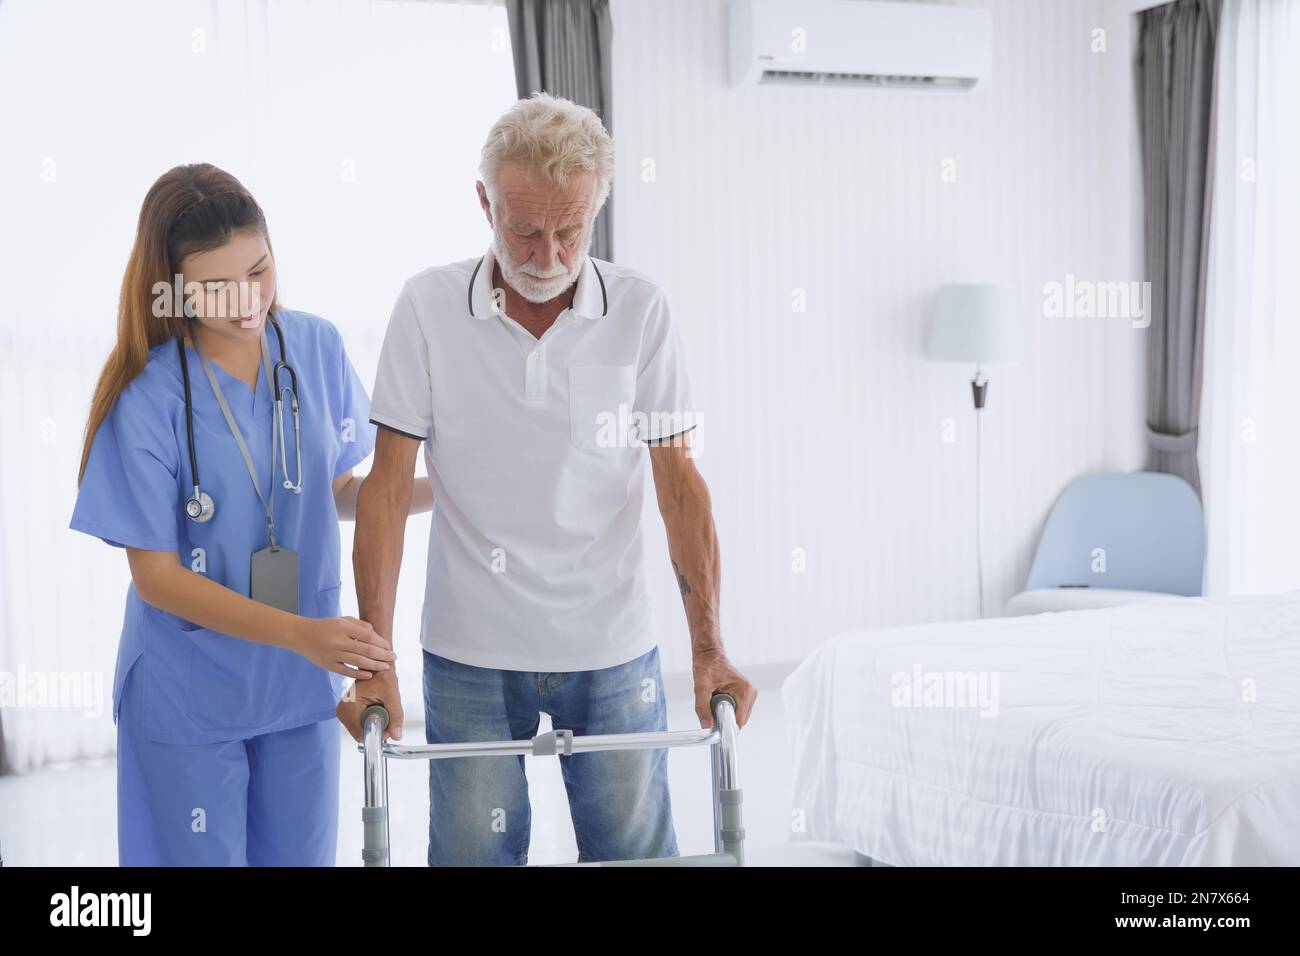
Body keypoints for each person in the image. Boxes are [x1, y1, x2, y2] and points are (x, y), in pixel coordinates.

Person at [337, 93, 758, 866]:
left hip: (612, 642)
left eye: (570, 231)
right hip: (469, 645)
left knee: (634, 854)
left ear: (597, 206)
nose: (548, 257)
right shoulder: (427, 307)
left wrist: (709, 649)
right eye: (523, 230)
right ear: (482, 202)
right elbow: (389, 488)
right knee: (472, 855)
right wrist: (376, 666)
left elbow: (678, 483)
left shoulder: (641, 311)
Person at [70, 163, 427, 865]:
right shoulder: (147, 397)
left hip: (298, 689)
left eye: (258, 270)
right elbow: (159, 578)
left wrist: (447, 487)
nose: (246, 301)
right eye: (215, 286)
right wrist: (302, 633)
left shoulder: (315, 347)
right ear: (170, 286)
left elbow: (337, 491)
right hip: (189, 688)